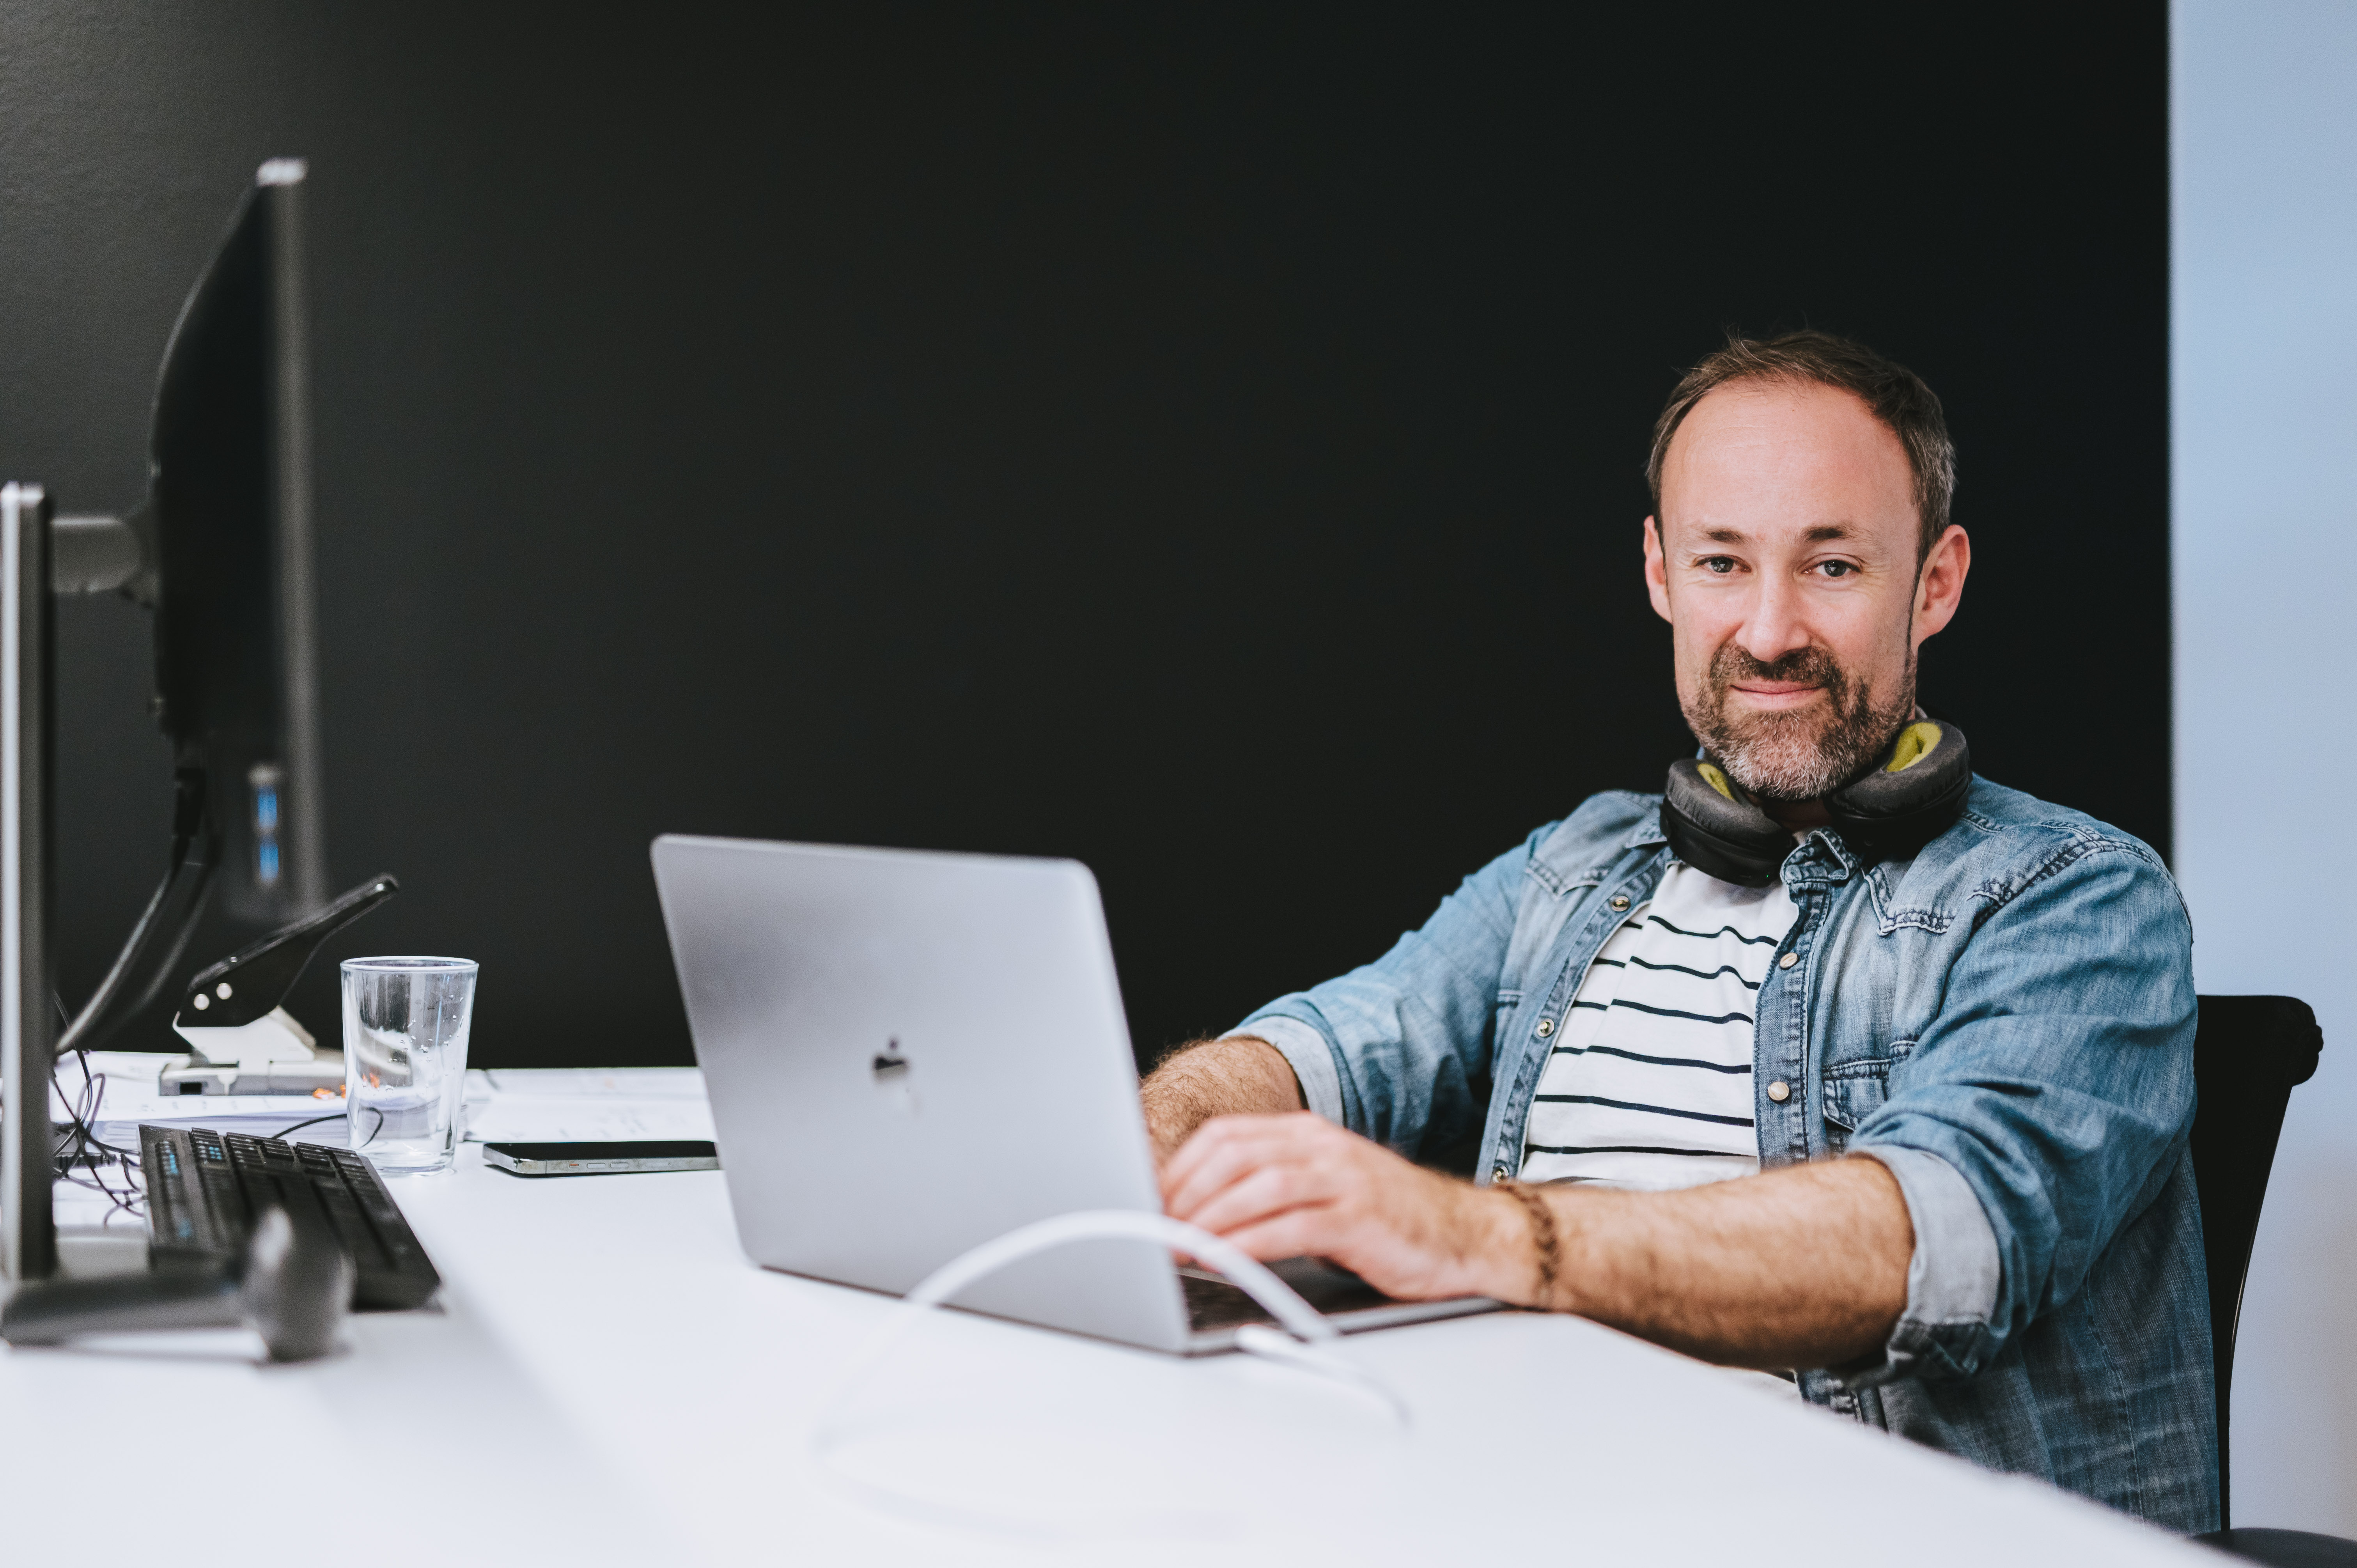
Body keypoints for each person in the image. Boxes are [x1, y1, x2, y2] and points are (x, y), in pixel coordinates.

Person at [1143, 330, 2214, 1533]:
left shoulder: (2075, 894)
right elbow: (1336, 1048)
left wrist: (1478, 1239)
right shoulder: (1575, 863)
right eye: (1721, 562)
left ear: (1935, 582)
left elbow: (1929, 1239)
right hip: (1512, 1510)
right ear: (1659, 572)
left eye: (1832, 566)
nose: (1766, 632)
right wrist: (1156, 1144)